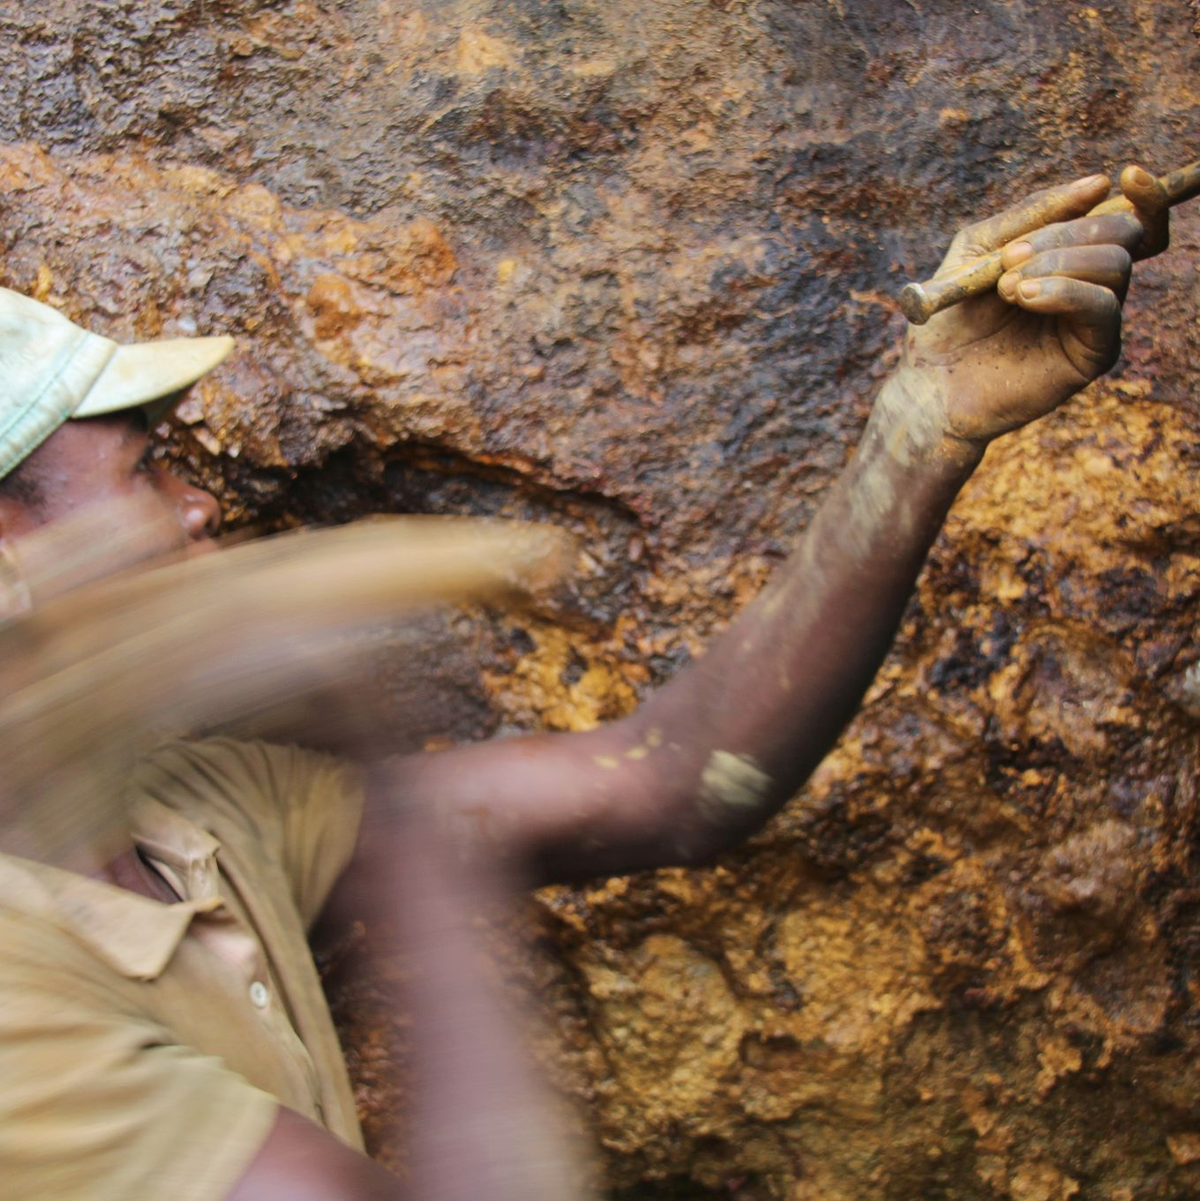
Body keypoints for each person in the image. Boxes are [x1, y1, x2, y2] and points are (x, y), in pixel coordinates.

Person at [0, 168, 1170, 1200]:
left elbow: (675, 781)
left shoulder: (190, 818)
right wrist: (365, 735)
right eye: (146, 471)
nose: (200, 505)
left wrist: (920, 424)